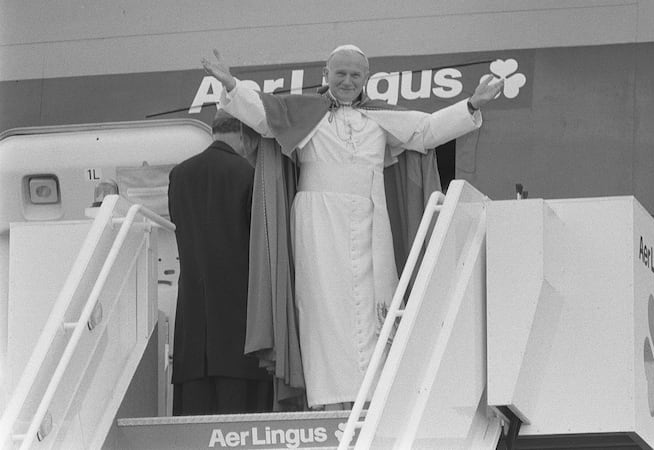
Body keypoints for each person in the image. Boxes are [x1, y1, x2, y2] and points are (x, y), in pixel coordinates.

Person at [202, 45, 504, 409]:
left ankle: (375, 398)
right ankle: (327, 402)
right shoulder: (303, 112)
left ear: (367, 78)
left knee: (377, 303)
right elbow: (262, 115)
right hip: (318, 222)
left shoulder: (380, 117)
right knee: (321, 306)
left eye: (355, 75)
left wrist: (472, 104)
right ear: (326, 74)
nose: (347, 81)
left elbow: (426, 131)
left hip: (371, 219)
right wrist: (231, 84)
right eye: (340, 74)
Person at [168, 110, 272, 415]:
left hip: (193, 334)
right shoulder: (249, 174)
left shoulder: (179, 175)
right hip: (239, 333)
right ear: (245, 134)